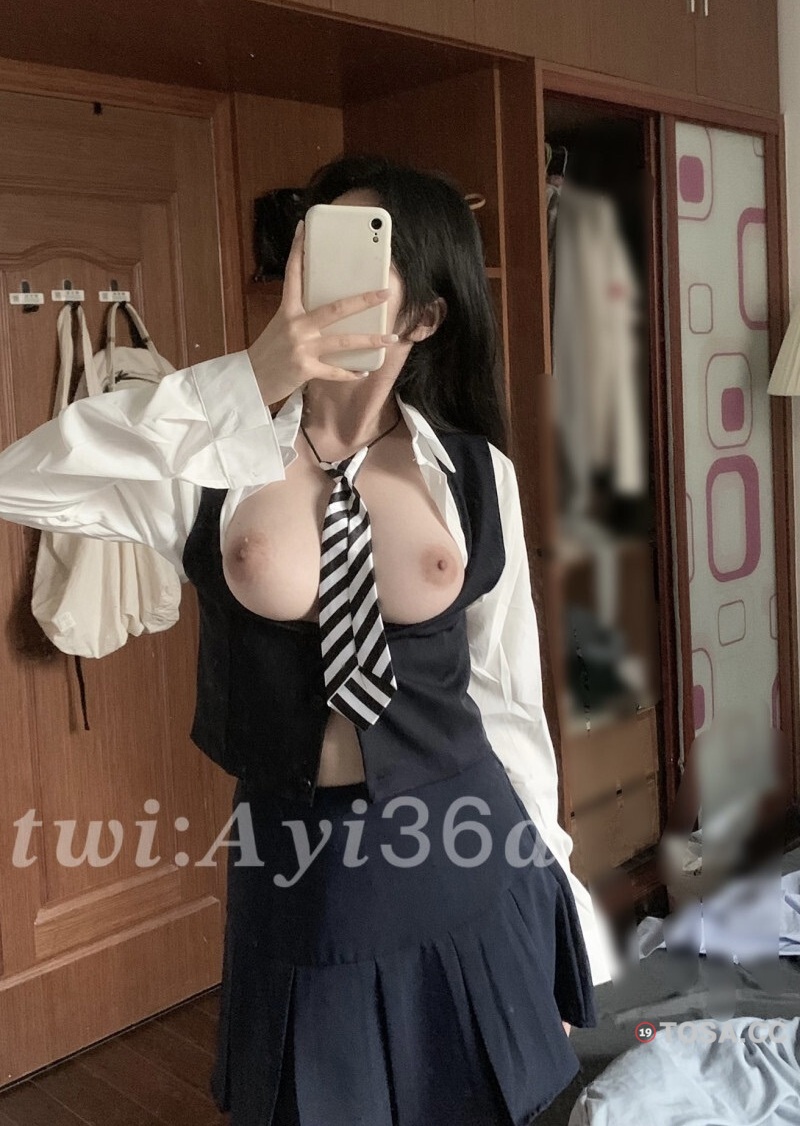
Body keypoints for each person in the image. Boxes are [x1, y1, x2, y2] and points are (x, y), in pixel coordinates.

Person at [0, 153, 616, 1125]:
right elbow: (21, 479)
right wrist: (247, 381)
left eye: (363, 262)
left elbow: (506, 693)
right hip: (299, 863)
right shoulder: (209, 460)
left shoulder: (472, 472)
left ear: (425, 317)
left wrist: (557, 884)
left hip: (470, 841)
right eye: (314, 251)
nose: (326, 287)